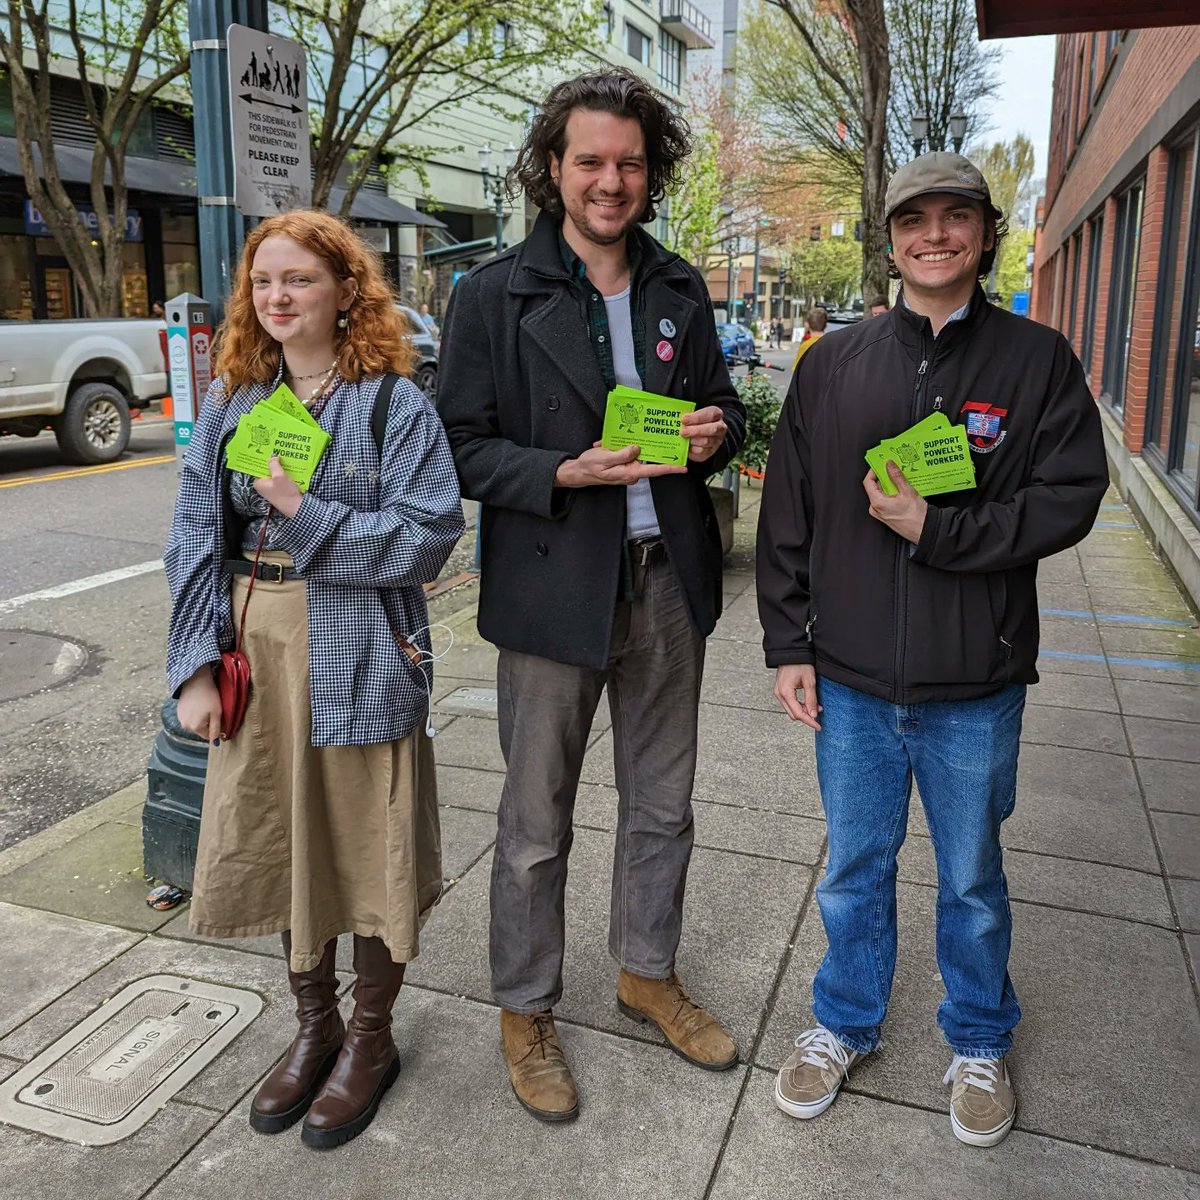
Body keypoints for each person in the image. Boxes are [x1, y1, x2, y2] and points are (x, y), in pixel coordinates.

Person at [756, 151, 1106, 1148]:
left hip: (973, 685)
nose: (935, 236)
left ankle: (980, 1037)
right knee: (854, 869)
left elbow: (1071, 495)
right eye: (916, 220)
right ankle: (843, 1023)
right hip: (855, 683)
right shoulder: (831, 362)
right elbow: (792, 509)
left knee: (969, 878)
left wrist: (942, 531)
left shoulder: (1037, 362)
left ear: (986, 234)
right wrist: (790, 639)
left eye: (957, 218)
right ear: (892, 236)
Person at [437, 69, 746, 1124]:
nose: (610, 181)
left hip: (668, 586)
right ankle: (526, 1008)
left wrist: (714, 433)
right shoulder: (490, 294)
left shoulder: (676, 285)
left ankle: (645, 972)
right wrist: (564, 472)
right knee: (534, 823)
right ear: (552, 168)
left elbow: (725, 407)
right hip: (553, 587)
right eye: (590, 161)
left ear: (649, 170)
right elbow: (460, 447)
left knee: (664, 808)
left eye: (628, 162)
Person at [164, 210, 464, 1150]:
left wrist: (304, 508)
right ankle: (314, 1025)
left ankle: (370, 1040)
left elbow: (430, 538)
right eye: (264, 283)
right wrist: (195, 664)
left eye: (300, 280)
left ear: (346, 291)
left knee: (364, 848)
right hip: (262, 650)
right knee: (282, 835)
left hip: (363, 646)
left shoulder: (392, 405)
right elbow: (192, 537)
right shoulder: (237, 403)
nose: (279, 298)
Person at [791, 305, 827, 370]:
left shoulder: (805, 345)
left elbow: (796, 370)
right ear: (826, 325)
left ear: (807, 325)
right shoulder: (831, 344)